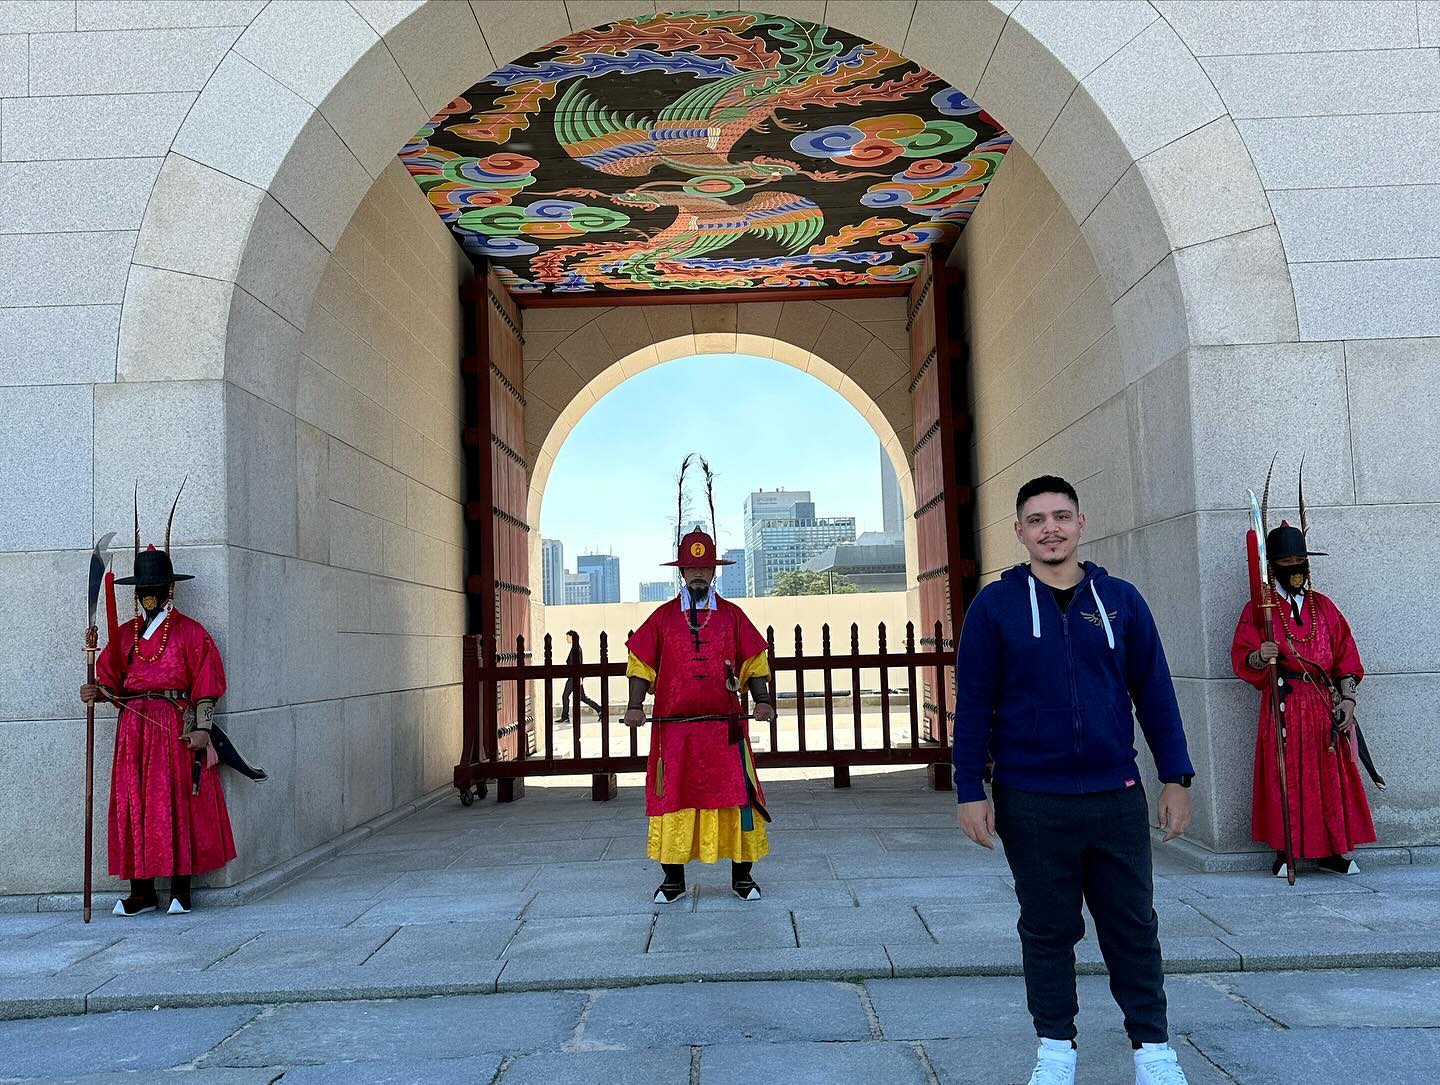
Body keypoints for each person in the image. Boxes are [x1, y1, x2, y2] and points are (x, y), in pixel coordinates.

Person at [952, 475, 1195, 1085]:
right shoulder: (996, 607)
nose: (1050, 529)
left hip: (1115, 794)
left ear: (1081, 523)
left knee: (1133, 925)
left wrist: (1176, 776)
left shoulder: (1120, 601)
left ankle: (1153, 1051)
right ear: (1019, 532)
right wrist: (969, 790)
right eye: (1036, 520)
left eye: (1061, 516)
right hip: (1031, 800)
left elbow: (1155, 693)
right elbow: (975, 703)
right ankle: (1056, 1049)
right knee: (1047, 928)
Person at [80, 530, 235, 917]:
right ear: (136, 592)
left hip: (174, 727)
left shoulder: (191, 633)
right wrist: (94, 690)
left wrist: (202, 727)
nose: (149, 593)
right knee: (135, 802)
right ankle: (142, 891)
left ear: (170, 589)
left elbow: (206, 685)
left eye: (156, 586)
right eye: (143, 587)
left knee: (176, 801)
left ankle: (181, 888)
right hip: (133, 731)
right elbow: (111, 684)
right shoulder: (123, 637)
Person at [623, 527, 776, 903]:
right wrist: (634, 705)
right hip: (675, 733)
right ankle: (672, 880)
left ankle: (742, 878)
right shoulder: (661, 619)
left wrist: (762, 699)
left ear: (713, 572)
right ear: (681, 572)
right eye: (691, 567)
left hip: (724, 729)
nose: (698, 574)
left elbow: (755, 661)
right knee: (673, 796)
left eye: (705, 567)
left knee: (737, 795)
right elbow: (641, 663)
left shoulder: (732, 616)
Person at [1231, 519, 1376, 878]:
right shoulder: (1259, 610)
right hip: (1284, 702)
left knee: (1329, 779)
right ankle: (1287, 851)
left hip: (1323, 705)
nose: (1296, 568)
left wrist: (1348, 700)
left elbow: (1345, 656)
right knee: (1286, 777)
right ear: (1274, 567)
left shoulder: (1324, 607)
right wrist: (1258, 655)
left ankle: (1332, 850)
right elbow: (1242, 657)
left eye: (1301, 560)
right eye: (1288, 562)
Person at [558, 629, 602, 724]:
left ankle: (565, 717)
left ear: (571, 637)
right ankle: (600, 710)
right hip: (575, 677)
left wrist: (579, 678)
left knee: (565, 696)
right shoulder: (576, 647)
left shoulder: (576, 648)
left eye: (567, 637)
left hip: (574, 677)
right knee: (582, 698)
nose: (566, 639)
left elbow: (578, 664)